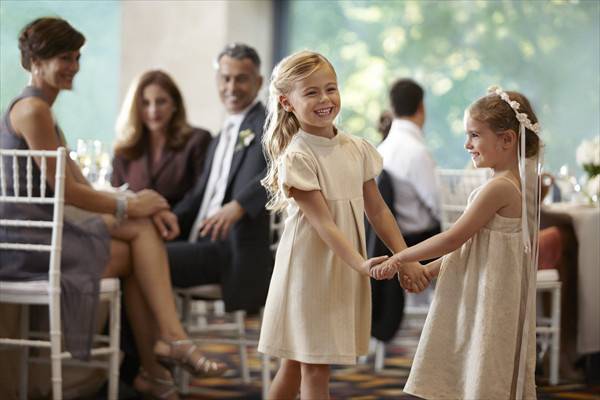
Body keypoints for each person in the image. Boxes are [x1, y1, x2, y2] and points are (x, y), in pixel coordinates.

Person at [0, 18, 224, 400]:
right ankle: (166, 353)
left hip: (44, 238)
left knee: (140, 237)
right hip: (30, 248)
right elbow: (66, 191)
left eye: (76, 57)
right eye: (64, 58)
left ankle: (161, 362)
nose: (74, 66)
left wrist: (142, 207)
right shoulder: (33, 111)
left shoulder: (42, 110)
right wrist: (134, 203)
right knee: (139, 248)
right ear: (36, 61)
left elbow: (84, 188)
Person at [256, 50, 429, 400]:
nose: (325, 99)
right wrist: (360, 263)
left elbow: (378, 211)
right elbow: (324, 224)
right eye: (312, 92)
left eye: (330, 88)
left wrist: (405, 257)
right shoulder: (298, 155)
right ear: (287, 103)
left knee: (295, 365)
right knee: (315, 368)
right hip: (310, 272)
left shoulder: (357, 148)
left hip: (344, 265)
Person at [372, 86, 542, 399]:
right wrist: (427, 270)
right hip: (480, 292)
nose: (467, 145)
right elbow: (469, 247)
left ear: (507, 140)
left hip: (490, 299)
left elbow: (452, 237)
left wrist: (399, 259)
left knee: (487, 369)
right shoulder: (500, 184)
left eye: (475, 135)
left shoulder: (499, 189)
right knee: (474, 368)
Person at [166, 43, 272, 314]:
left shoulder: (268, 124)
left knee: (145, 258)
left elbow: (285, 166)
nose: (231, 87)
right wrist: (163, 219)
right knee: (139, 247)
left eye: (241, 79)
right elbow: (198, 196)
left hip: (230, 250)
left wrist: (239, 205)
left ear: (258, 82)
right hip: (199, 244)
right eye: (226, 78)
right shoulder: (220, 137)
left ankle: (152, 348)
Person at [111, 69, 212, 207]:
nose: (153, 110)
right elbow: (117, 199)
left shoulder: (198, 140)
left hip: (181, 225)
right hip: (135, 224)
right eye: (145, 103)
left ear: (175, 104)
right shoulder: (124, 150)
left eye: (161, 102)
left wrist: (167, 221)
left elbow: (201, 195)